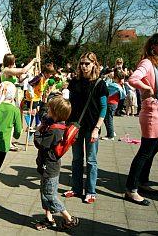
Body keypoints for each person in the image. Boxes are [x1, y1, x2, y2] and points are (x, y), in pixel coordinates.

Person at [124, 33, 158, 206]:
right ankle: (131, 189)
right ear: (154, 46)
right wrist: (146, 87)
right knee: (145, 152)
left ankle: (143, 182)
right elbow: (133, 79)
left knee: (153, 151)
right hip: (152, 114)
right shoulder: (147, 63)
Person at [64, 52, 108, 204]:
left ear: (94, 64)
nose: (84, 66)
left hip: (91, 126)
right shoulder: (75, 81)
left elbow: (103, 108)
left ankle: (90, 191)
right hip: (76, 126)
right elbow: (70, 104)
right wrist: (67, 124)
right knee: (76, 159)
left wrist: (97, 128)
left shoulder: (100, 84)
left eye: (87, 63)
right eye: (82, 63)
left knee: (91, 160)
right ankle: (76, 188)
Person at [34, 95, 79, 231]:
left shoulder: (55, 130)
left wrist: (37, 130)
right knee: (44, 193)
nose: (47, 110)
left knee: (49, 195)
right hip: (47, 166)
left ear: (55, 112)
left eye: (50, 109)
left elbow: (41, 144)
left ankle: (68, 218)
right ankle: (48, 219)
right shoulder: (58, 125)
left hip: (50, 167)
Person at [101, 68, 126, 140]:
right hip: (114, 103)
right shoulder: (120, 85)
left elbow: (105, 86)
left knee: (108, 119)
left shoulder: (115, 85)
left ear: (116, 78)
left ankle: (110, 135)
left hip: (110, 103)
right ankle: (111, 132)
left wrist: (107, 78)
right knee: (108, 118)